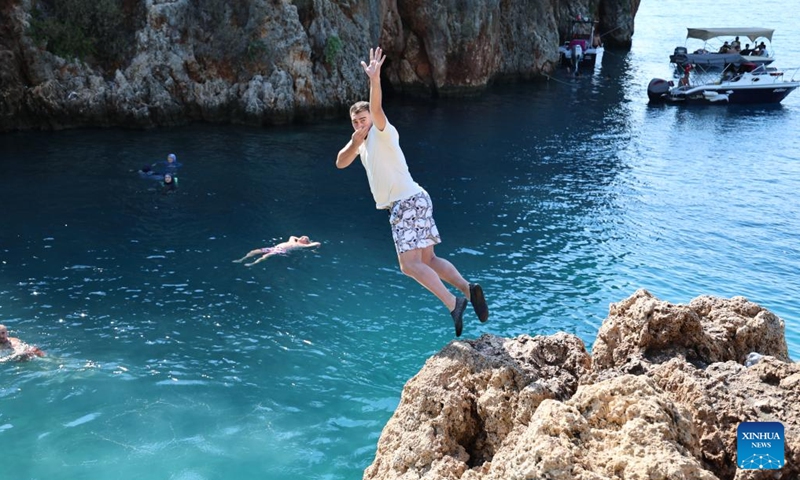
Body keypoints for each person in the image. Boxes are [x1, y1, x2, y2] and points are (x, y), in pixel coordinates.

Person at [335, 47, 489, 337]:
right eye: (355, 122)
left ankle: (454, 303)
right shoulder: (361, 145)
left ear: (371, 120)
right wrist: (354, 141)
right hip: (417, 198)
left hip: (405, 203)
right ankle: (468, 289)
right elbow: (340, 162)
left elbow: (377, 109)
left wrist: (375, 79)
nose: (360, 124)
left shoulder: (382, 133)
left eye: (363, 119)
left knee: (409, 265)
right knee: (428, 260)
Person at [233, 235, 321, 267]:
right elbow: (292, 236)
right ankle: (241, 259)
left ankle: (252, 263)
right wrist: (299, 238)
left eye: (305, 238)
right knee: (253, 251)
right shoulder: (292, 240)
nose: (303, 238)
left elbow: (317, 243)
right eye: (302, 236)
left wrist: (310, 243)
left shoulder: (303, 245)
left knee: (266, 256)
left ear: (306, 242)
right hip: (274, 248)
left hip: (281, 251)